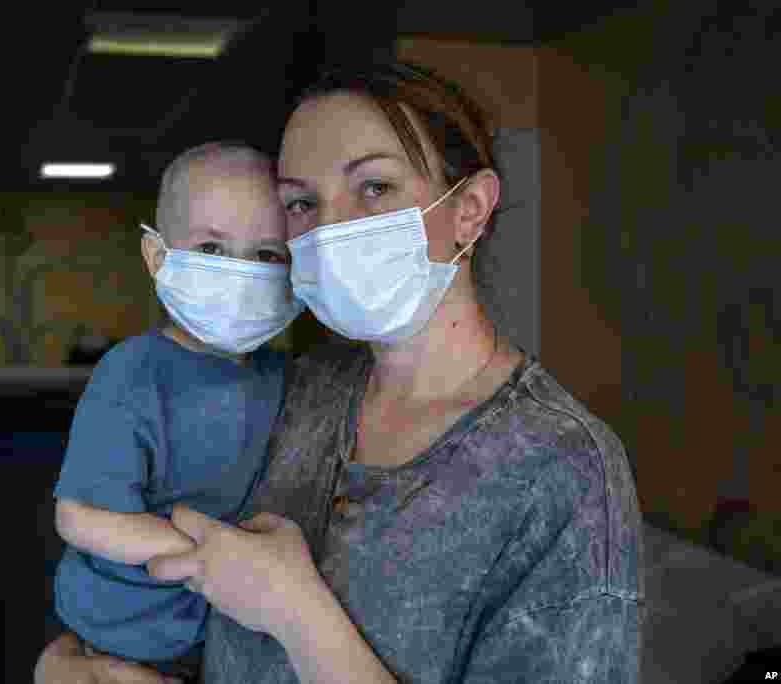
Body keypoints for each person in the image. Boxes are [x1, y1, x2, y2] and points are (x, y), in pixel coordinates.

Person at [36, 58, 643, 684]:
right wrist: (76, 663)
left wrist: (300, 615)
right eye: (301, 202)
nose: (330, 229)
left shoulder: (563, 471)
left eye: (374, 187)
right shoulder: (297, 389)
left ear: (470, 209)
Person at [49, 142, 303, 680]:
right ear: (158, 258)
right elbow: (78, 516)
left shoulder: (284, 377)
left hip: (218, 631)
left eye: (266, 255)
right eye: (211, 248)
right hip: (123, 631)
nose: (240, 273)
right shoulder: (132, 374)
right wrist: (207, 551)